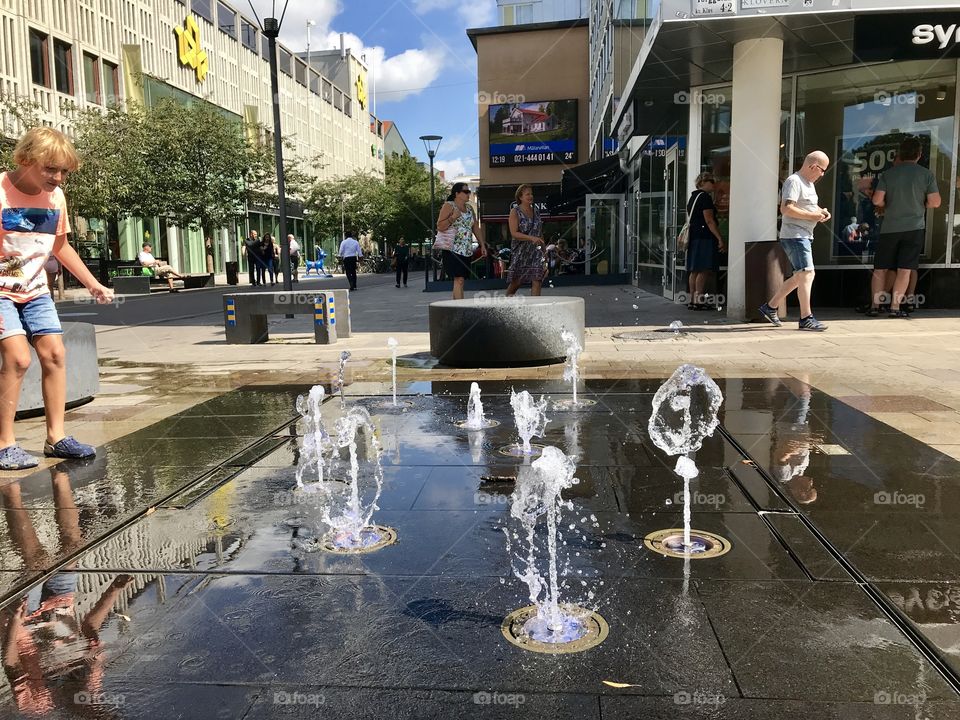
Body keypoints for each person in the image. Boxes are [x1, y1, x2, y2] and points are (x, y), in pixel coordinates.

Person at [0, 127, 113, 469]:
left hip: (35, 291)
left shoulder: (56, 198)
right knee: (18, 359)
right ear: (26, 160)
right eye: (50, 169)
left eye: (63, 171)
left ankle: (56, 437)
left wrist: (93, 284)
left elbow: (60, 246)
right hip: (1, 291)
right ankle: (5, 443)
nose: (58, 177)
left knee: (55, 354)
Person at [759, 150, 832, 332]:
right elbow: (786, 209)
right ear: (813, 166)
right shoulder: (794, 181)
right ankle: (806, 317)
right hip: (795, 235)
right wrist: (812, 215)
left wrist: (821, 211)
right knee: (807, 274)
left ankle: (771, 306)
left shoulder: (808, 183)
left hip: (803, 235)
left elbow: (807, 205)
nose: (822, 174)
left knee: (801, 275)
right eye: (822, 170)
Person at [869, 137, 941, 318]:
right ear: (919, 154)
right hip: (914, 227)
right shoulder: (926, 174)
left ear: (900, 153)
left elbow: (877, 200)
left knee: (880, 269)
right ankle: (895, 308)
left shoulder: (888, 174)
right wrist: (921, 202)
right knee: (905, 269)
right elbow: (935, 202)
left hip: (889, 227)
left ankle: (875, 306)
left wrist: (888, 203)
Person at [436, 182, 484, 300]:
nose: (469, 194)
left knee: (460, 280)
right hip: (452, 248)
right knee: (459, 279)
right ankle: (459, 307)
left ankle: (455, 307)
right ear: (457, 193)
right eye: (466, 192)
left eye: (469, 191)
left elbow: (475, 227)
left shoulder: (469, 208)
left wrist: (482, 244)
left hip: (466, 250)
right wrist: (453, 217)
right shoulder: (449, 205)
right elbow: (440, 226)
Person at [685, 172, 726, 310]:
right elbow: (709, 220)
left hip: (695, 236)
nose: (714, 184)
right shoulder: (705, 198)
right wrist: (720, 238)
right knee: (703, 270)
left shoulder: (693, 197)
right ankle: (699, 301)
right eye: (711, 181)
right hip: (705, 237)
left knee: (694, 270)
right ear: (703, 182)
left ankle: (692, 300)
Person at [505, 184, 544, 296]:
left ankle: (535, 309)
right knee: (517, 281)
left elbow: (539, 232)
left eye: (531, 194)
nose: (530, 196)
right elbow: (514, 233)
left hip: (536, 251)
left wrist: (544, 249)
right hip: (521, 251)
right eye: (527, 194)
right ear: (520, 197)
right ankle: (506, 303)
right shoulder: (515, 211)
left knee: (537, 279)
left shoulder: (536, 211)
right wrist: (530, 238)